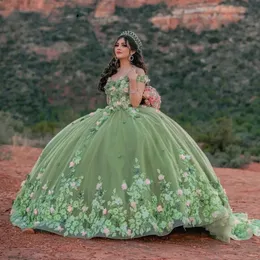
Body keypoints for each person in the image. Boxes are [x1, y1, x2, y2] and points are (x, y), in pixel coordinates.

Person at [10, 31, 260, 242]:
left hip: (134, 119)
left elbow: (133, 101)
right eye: (116, 45)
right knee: (101, 163)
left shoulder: (136, 72)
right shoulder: (112, 73)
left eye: (124, 46)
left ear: (132, 51)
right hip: (108, 118)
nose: (118, 48)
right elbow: (111, 101)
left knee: (137, 162)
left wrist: (143, 92)